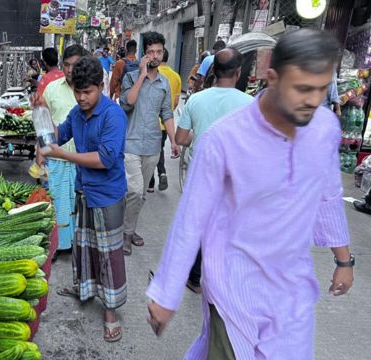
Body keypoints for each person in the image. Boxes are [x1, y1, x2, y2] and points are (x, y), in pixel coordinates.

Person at [146, 29, 353, 359]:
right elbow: (191, 218)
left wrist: (344, 259)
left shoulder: (324, 127)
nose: (313, 100)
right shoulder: (224, 140)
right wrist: (167, 293)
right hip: (233, 289)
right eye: (302, 89)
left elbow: (328, 194)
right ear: (271, 78)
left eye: (320, 89)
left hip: (292, 293)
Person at [40, 56, 128, 342]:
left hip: (107, 195)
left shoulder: (113, 115)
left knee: (108, 252)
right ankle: (85, 288)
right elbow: (59, 134)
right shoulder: (77, 114)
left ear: (100, 87)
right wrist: (41, 116)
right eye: (77, 91)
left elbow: (105, 159)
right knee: (84, 245)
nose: (81, 98)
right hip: (84, 190)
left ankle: (111, 310)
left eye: (87, 92)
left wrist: (63, 154)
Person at [173, 48, 254, 294]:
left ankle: (195, 277)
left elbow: (180, 138)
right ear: (239, 73)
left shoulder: (196, 100)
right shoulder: (250, 104)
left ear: (212, 71)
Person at [120, 32, 179, 255]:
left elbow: (167, 114)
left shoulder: (165, 84)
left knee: (142, 193)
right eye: (151, 51)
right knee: (133, 191)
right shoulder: (131, 77)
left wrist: (173, 141)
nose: (155, 55)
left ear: (163, 53)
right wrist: (142, 75)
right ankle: (126, 234)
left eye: (159, 52)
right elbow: (128, 103)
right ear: (144, 53)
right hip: (130, 143)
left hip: (153, 145)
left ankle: (129, 228)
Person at [33, 44, 90, 252]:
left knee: (77, 205)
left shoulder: (88, 91)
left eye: (74, 65)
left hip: (81, 159)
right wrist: (40, 151)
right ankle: (56, 245)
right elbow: (43, 122)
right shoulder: (52, 88)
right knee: (55, 204)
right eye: (65, 65)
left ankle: (76, 244)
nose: (69, 70)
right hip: (56, 159)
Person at [148, 48, 182, 192]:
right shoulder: (176, 77)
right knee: (159, 148)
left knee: (150, 152)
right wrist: (166, 115)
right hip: (165, 123)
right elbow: (175, 102)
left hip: (150, 121)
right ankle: (161, 172)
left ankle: (150, 183)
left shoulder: (154, 74)